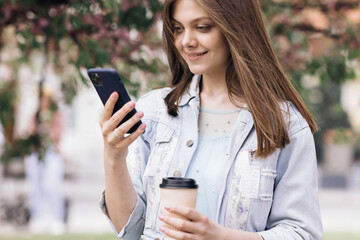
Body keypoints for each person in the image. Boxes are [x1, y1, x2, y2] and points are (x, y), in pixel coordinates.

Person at [98, 0, 323, 239]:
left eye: (202, 27)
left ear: (237, 28)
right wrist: (114, 157)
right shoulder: (154, 112)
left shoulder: (285, 124)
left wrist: (220, 236)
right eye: (178, 28)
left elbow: (302, 233)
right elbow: (130, 231)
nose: (186, 41)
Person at [24, 88, 66, 235]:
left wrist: (48, 127)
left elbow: (58, 135)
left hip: (52, 152)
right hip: (36, 154)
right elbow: (30, 133)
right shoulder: (35, 116)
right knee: (36, 188)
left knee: (52, 186)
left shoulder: (56, 115)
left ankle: (57, 219)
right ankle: (37, 218)